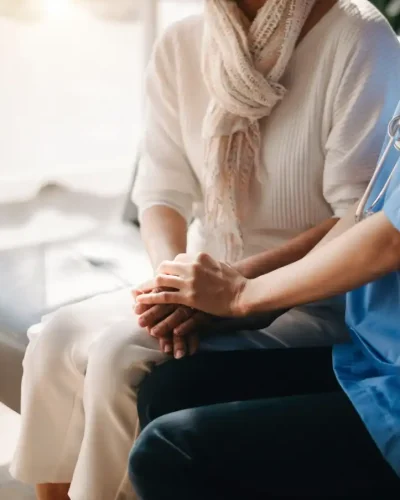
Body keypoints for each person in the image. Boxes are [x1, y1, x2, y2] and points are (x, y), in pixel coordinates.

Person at [10, 1, 400, 499]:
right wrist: (173, 284)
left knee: (116, 353)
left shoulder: (359, 36)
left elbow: (357, 217)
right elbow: (160, 192)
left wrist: (236, 288)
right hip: (206, 281)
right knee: (56, 338)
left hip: (307, 298)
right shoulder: (181, 44)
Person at [129, 102, 400, 498]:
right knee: (168, 390)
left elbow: (390, 240)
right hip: (373, 356)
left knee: (169, 451)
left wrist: (243, 295)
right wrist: (252, 291)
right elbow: (366, 216)